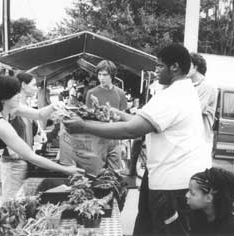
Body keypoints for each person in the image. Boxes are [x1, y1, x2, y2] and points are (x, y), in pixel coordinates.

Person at [64, 44, 211, 235]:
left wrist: (83, 126)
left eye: (159, 66)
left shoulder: (174, 96)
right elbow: (142, 121)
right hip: (166, 177)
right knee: (147, 226)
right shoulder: (180, 91)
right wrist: (118, 114)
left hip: (172, 184)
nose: (155, 70)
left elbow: (131, 130)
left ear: (174, 67)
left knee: (167, 230)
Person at [0, 75, 83, 236]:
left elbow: (40, 115)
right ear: (3, 99)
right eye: (14, 94)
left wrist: (54, 106)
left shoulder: (8, 109)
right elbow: (31, 156)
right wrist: (66, 169)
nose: (18, 96)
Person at [0, 72, 38, 201]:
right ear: (23, 85)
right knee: (12, 204)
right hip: (13, 163)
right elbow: (1, 127)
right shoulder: (12, 107)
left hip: (23, 161)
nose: (36, 88)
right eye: (33, 85)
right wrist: (9, 148)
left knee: (19, 202)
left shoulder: (24, 106)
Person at [85, 60, 127, 170]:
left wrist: (123, 144)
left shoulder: (120, 93)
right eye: (99, 74)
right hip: (97, 138)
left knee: (115, 172)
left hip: (115, 138)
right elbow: (87, 119)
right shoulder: (91, 93)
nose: (101, 78)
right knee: (96, 172)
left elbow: (124, 120)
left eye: (105, 75)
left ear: (112, 75)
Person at [186, 167, 234, 235]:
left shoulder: (233, 229)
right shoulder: (196, 216)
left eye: (192, 193)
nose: (186, 195)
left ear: (209, 198)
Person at [188, 52, 218, 163]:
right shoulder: (188, 85)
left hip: (200, 141)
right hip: (188, 140)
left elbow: (193, 111)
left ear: (195, 67)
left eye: (186, 64)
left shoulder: (207, 86)